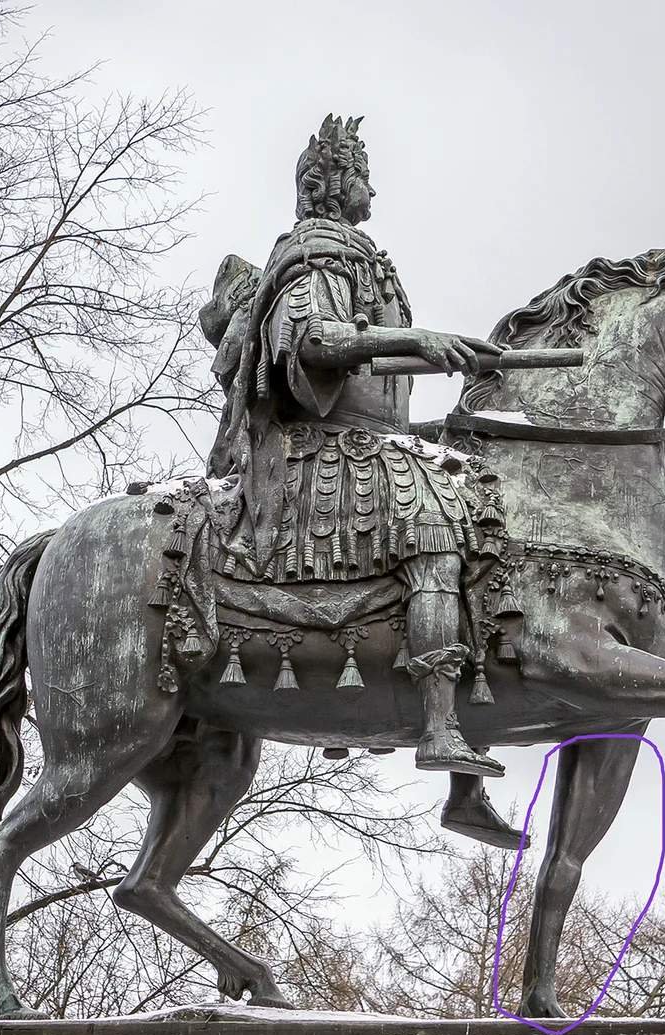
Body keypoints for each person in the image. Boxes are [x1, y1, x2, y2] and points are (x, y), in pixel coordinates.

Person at [202, 113, 508, 784]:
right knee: (433, 522)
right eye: (362, 175)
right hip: (324, 449)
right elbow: (314, 342)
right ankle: (437, 727)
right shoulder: (319, 249)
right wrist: (418, 340)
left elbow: (370, 373)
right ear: (333, 185)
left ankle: (465, 778)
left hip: (372, 440)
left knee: (482, 507)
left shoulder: (358, 255)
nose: (371, 188)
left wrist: (444, 359)